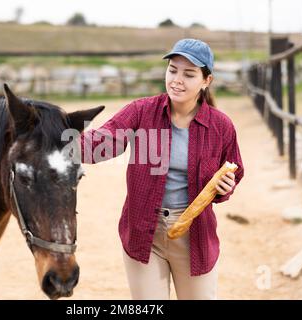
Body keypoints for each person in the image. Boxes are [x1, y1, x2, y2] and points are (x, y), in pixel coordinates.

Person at [80, 39, 244, 300]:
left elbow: (234, 171)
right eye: (172, 70)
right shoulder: (141, 111)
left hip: (195, 238)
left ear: (206, 81)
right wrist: (60, 141)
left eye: (189, 74)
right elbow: (103, 140)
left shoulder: (221, 127)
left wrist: (226, 188)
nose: (177, 79)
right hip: (144, 232)